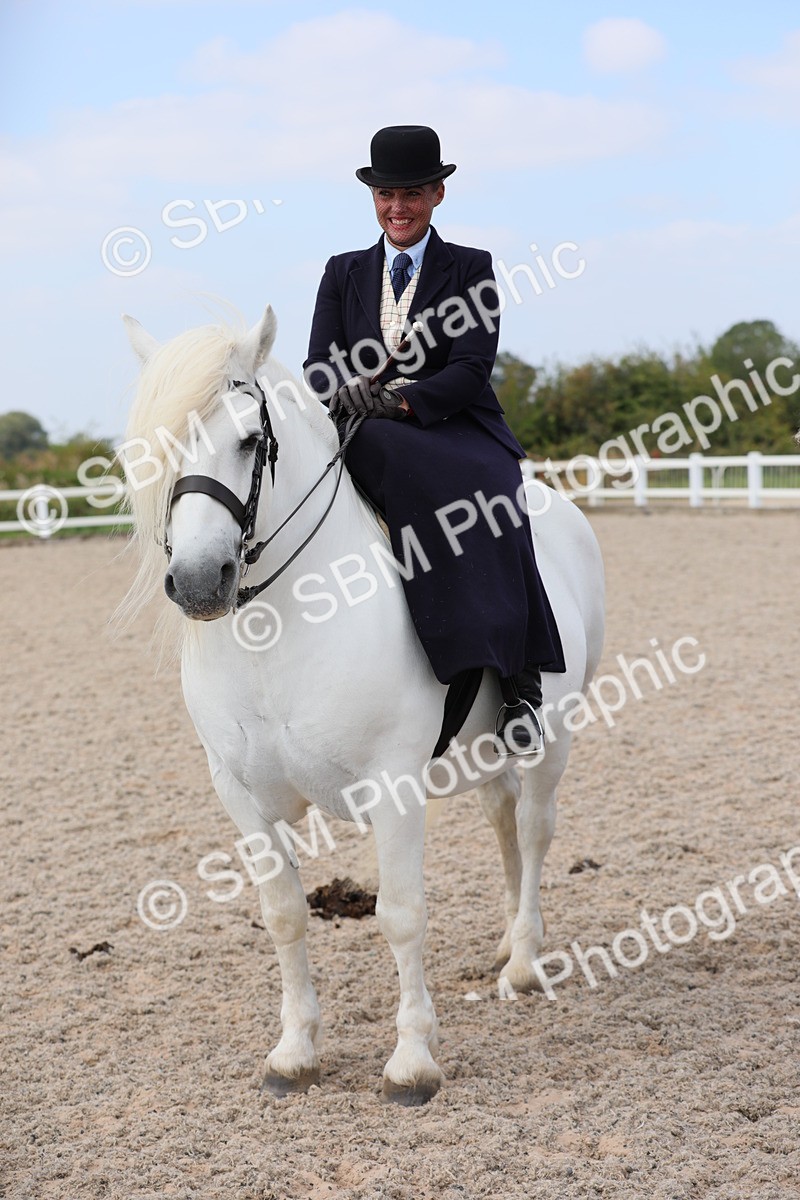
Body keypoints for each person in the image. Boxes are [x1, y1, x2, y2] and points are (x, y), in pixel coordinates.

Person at [303, 125, 565, 756]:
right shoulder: (342, 271)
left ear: (437, 194)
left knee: (499, 496)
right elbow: (318, 364)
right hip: (361, 423)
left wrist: (402, 401)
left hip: (451, 422)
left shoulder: (471, 267)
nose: (398, 207)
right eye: (386, 195)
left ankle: (518, 682)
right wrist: (350, 391)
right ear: (373, 197)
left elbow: (471, 367)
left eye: (412, 194)